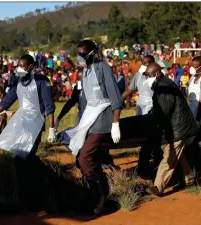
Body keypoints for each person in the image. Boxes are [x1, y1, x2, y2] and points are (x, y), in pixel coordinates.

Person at [62, 40, 123, 215]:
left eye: (82, 54)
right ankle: (100, 195)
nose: (79, 57)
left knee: (85, 156)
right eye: (78, 54)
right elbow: (85, 99)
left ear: (92, 53)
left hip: (103, 116)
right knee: (83, 157)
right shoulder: (85, 72)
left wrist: (115, 123)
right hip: (90, 116)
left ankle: (98, 198)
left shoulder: (103, 67)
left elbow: (115, 96)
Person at [0, 54, 57, 159]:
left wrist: (51, 128)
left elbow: (49, 105)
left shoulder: (42, 81)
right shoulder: (18, 82)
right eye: (17, 66)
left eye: (22, 66)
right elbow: (7, 101)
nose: (18, 69)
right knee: (18, 155)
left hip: (36, 122)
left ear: (31, 67)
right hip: (21, 121)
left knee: (29, 154)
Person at [144, 63, 197, 197]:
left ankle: (158, 187)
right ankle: (190, 178)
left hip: (178, 127)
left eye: (148, 76)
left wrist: (155, 125)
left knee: (169, 158)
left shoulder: (164, 87)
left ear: (157, 74)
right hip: (178, 126)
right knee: (179, 155)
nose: (146, 79)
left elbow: (164, 111)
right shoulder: (160, 85)